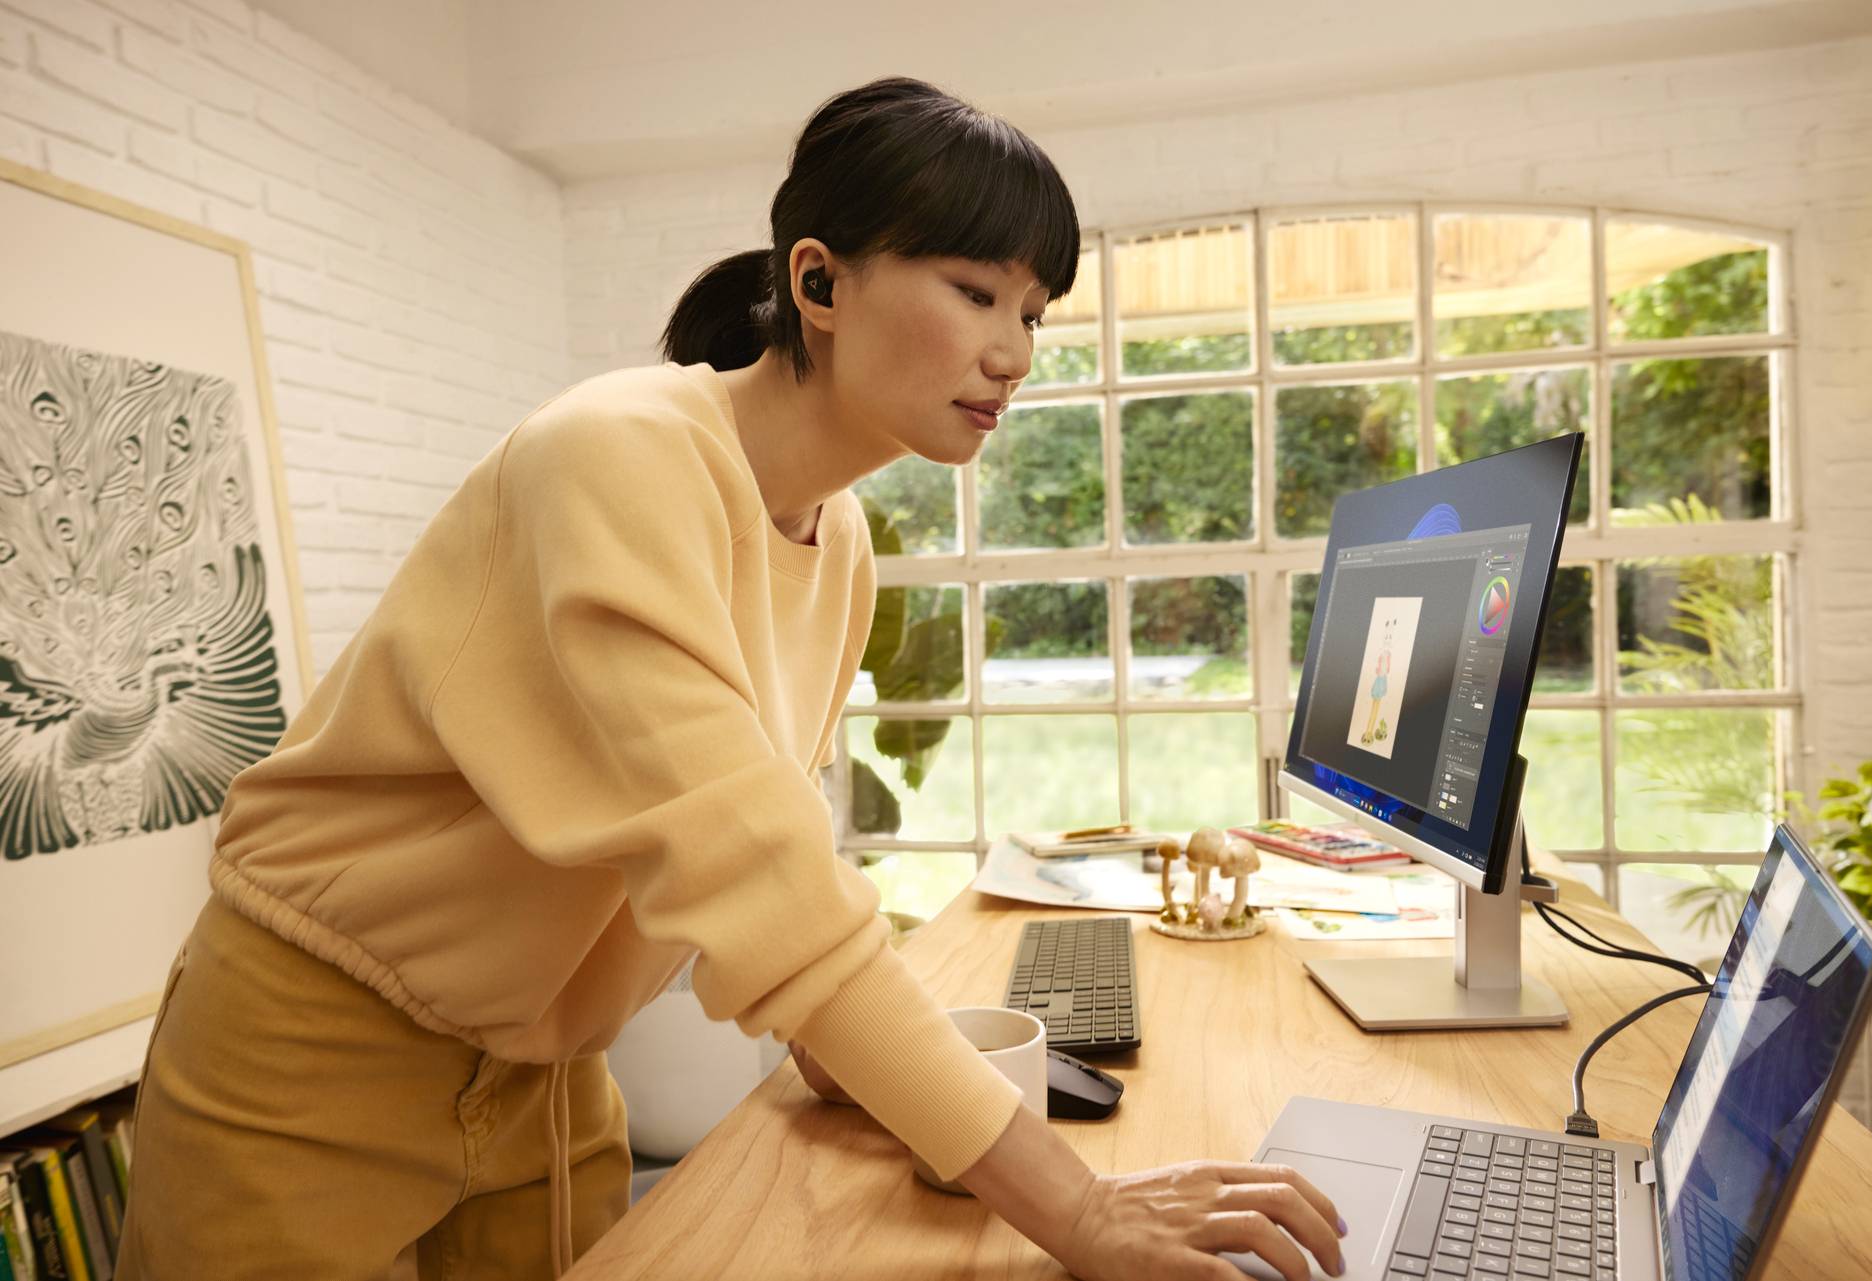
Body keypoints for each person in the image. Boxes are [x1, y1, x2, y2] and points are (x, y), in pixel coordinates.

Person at [116, 76, 1346, 1281]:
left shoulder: (840, 533)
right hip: (311, 1048)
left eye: (1035, 312)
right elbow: (752, 867)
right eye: (977, 293)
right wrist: (1077, 1211)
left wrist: (861, 1045)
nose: (1013, 351)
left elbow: (762, 838)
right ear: (818, 281)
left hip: (544, 1081)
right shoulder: (615, 454)